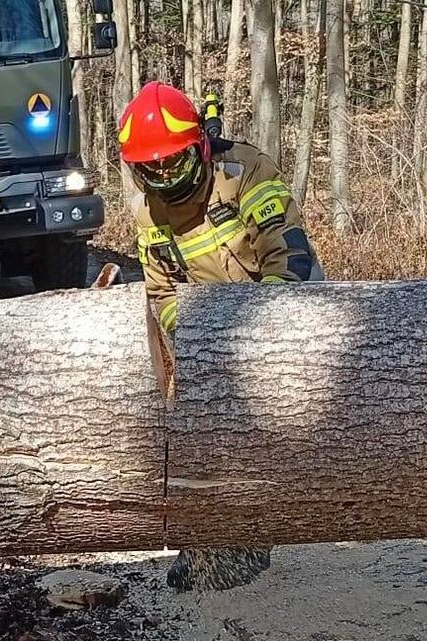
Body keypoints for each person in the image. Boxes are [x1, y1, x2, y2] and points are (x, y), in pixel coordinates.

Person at [117, 81, 324, 592]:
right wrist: (190, 346)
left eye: (175, 163)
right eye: (153, 169)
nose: (166, 177)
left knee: (267, 433)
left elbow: (287, 255)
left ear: (200, 148)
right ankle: (208, 544)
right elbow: (162, 290)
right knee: (198, 430)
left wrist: (268, 336)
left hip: (286, 305)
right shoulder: (151, 211)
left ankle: (249, 542)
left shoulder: (245, 171)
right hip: (215, 329)